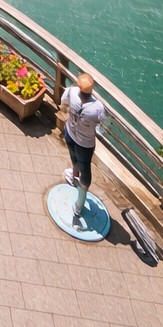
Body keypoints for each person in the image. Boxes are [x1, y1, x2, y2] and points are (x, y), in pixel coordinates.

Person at [62, 73, 107, 222]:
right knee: (86, 171)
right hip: (85, 144)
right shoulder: (98, 107)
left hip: (69, 132)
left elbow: (63, 101)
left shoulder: (72, 92)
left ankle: (74, 176)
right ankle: (79, 205)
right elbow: (102, 125)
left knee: (73, 157)